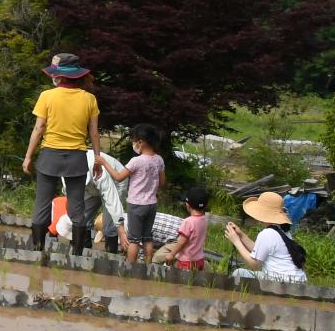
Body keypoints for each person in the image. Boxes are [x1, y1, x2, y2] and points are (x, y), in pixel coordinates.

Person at [21, 53, 104, 256]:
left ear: (58, 76)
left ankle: (37, 250)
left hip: (49, 155)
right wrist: (98, 159)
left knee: (42, 204)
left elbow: (39, 128)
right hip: (76, 157)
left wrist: (28, 156)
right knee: (77, 206)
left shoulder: (47, 96)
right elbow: (93, 132)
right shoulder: (89, 99)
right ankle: (76, 255)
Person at [96, 125, 166, 261]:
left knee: (133, 239)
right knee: (147, 237)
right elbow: (162, 183)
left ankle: (130, 268)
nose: (133, 144)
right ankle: (147, 266)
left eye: (134, 141)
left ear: (141, 142)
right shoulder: (159, 160)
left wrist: (104, 162)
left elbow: (118, 177)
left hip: (136, 205)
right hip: (151, 204)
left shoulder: (136, 161)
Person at [226, 191, 309, 283]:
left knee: (238, 273)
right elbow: (260, 251)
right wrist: (241, 235)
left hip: (281, 282)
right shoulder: (282, 230)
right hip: (297, 280)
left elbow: (254, 264)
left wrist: (236, 241)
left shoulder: (267, 233)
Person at [159, 186, 213, 271]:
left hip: (186, 261)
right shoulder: (204, 220)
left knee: (182, 283)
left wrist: (172, 254)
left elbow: (182, 242)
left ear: (188, 205)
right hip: (199, 260)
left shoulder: (188, 222)